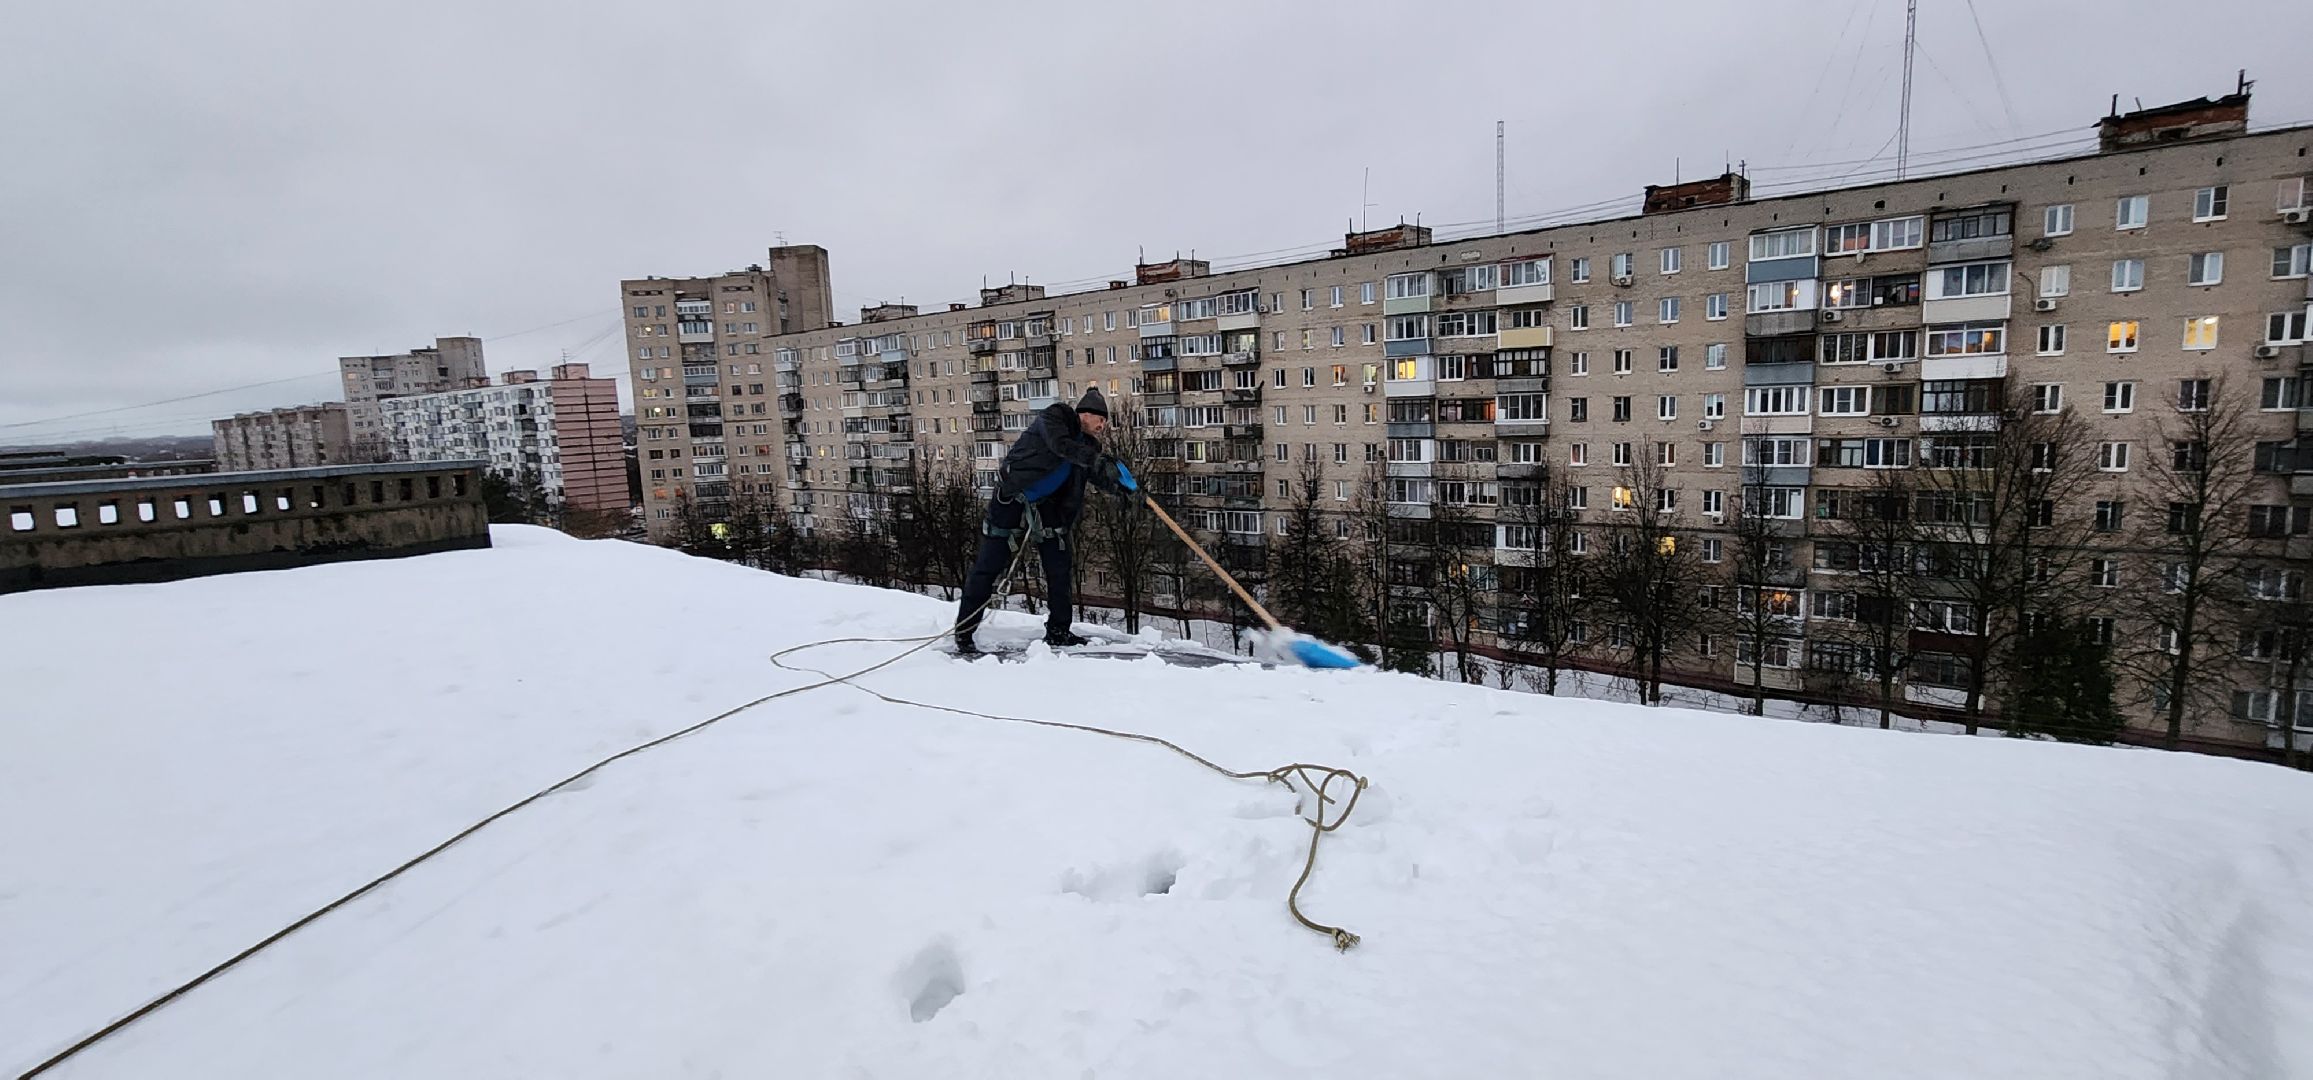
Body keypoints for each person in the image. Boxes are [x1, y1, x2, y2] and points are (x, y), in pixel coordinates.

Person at [954, 387, 1137, 653]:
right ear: (1086, 414)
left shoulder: (1089, 447)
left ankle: (1059, 631)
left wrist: (1126, 490)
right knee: (989, 565)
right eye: (1102, 419)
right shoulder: (1056, 417)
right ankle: (964, 632)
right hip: (1012, 498)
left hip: (1048, 507)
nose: (1103, 426)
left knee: (1059, 566)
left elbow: (1097, 474)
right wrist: (1096, 460)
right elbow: (1060, 446)